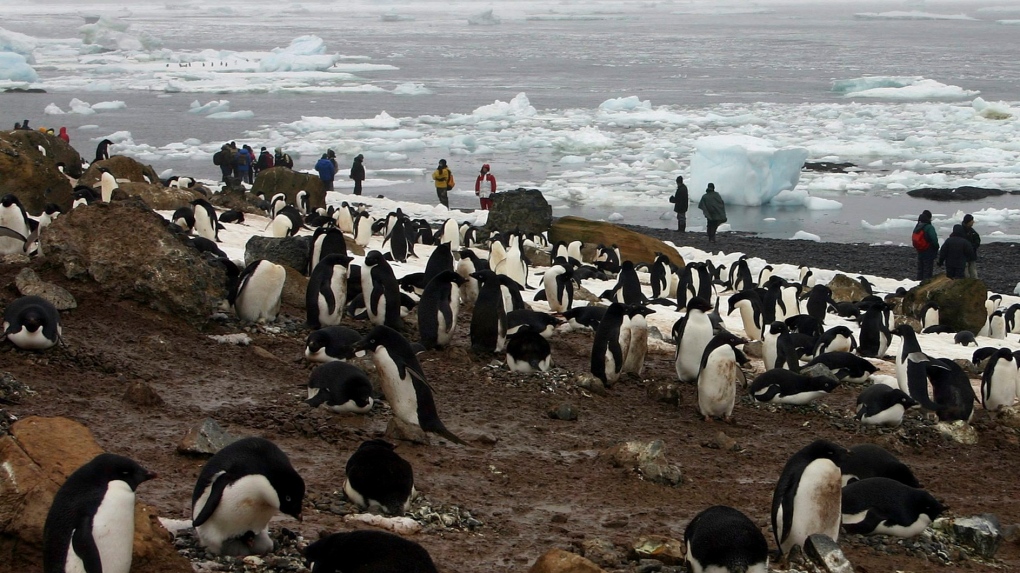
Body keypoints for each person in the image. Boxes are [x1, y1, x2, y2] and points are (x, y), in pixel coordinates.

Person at [912, 210, 939, 281]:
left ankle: (918, 282)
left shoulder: (917, 226)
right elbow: (934, 239)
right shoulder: (929, 227)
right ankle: (925, 283)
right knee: (928, 268)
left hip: (920, 249)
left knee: (920, 268)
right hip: (928, 250)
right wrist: (937, 247)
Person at [961, 213, 980, 278]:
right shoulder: (962, 231)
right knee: (965, 271)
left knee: (972, 270)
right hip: (964, 254)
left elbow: (977, 240)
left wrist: (973, 247)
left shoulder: (972, 231)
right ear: (968, 222)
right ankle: (968, 283)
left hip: (971, 254)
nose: (973, 222)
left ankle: (974, 282)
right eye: (972, 221)